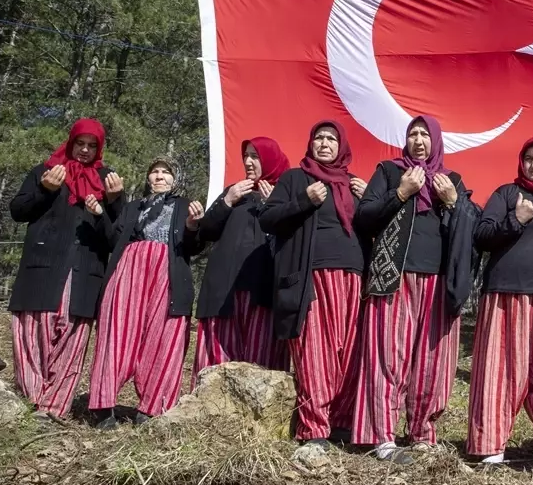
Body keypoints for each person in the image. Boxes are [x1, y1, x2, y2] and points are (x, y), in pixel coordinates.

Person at [350, 116, 478, 463]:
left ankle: (423, 435)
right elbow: (364, 216)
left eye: (424, 134)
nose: (418, 140)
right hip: (395, 277)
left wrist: (453, 202)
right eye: (412, 134)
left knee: (432, 364)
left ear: (436, 141)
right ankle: (383, 437)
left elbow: (474, 229)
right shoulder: (390, 171)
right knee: (389, 357)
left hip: (439, 284)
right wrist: (401, 193)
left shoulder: (450, 180)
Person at [257, 121, 368, 451]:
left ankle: (342, 424)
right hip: (311, 277)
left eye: (331, 139)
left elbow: (374, 224)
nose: (324, 143)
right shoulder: (295, 179)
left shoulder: (353, 184)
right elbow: (268, 219)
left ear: (341, 146)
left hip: (353, 277)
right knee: (314, 352)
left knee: (348, 353)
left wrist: (367, 200)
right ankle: (314, 429)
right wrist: (303, 200)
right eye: (318, 137)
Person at [467, 137, 533, 477]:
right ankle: (490, 448)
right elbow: (482, 235)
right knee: (500, 373)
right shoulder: (507, 194)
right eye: (528, 158)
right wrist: (516, 219)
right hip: (504, 294)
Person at [7, 119, 125, 419]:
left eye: (91, 146)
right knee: (33, 329)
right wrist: (45, 190)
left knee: (72, 336)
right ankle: (33, 399)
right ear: (70, 142)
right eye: (79, 144)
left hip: (84, 269)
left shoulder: (107, 179)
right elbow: (18, 211)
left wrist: (114, 201)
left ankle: (54, 407)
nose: (84, 150)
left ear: (99, 149)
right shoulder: (46, 171)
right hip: (43, 267)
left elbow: (120, 234)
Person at [88, 157, 205, 428]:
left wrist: (192, 226)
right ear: (148, 178)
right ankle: (104, 407)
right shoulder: (133, 207)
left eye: (166, 173)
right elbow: (114, 239)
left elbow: (195, 247)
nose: (160, 177)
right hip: (130, 270)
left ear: (176, 179)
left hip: (168, 274)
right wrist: (99, 216)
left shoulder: (186, 206)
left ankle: (153, 408)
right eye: (155, 172)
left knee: (164, 335)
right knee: (118, 333)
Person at [192, 136, 292, 386]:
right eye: (246, 155)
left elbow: (290, 237)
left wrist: (273, 206)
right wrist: (227, 201)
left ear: (269, 159)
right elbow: (206, 232)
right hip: (225, 289)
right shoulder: (235, 192)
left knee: (260, 359)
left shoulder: (286, 193)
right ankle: (209, 413)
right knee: (218, 356)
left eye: (255, 156)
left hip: (263, 289)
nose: (248, 161)